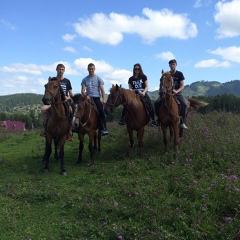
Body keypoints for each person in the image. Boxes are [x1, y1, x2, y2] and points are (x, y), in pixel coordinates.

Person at [40, 63, 74, 140]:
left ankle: (68, 131)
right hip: (53, 102)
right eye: (59, 69)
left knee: (71, 110)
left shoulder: (67, 81)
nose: (61, 71)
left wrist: (67, 97)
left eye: (62, 69)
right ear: (56, 70)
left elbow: (71, 94)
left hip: (64, 101)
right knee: (43, 109)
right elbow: (48, 90)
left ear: (64, 70)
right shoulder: (53, 80)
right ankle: (46, 129)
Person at [154, 59, 188, 129]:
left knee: (184, 104)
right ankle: (158, 119)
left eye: (173, 64)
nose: (172, 66)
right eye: (171, 64)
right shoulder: (167, 74)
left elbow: (182, 86)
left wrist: (176, 91)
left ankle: (182, 121)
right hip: (167, 94)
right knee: (156, 102)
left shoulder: (179, 74)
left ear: (176, 65)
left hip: (177, 93)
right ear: (169, 65)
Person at [81, 63, 109, 136]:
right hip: (87, 98)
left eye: (92, 69)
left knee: (101, 111)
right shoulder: (85, 79)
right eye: (90, 69)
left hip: (96, 98)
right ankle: (77, 127)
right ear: (88, 69)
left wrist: (104, 99)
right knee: (79, 109)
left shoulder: (98, 78)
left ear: (94, 69)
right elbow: (82, 91)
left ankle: (103, 128)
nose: (91, 70)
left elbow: (102, 90)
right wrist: (86, 96)